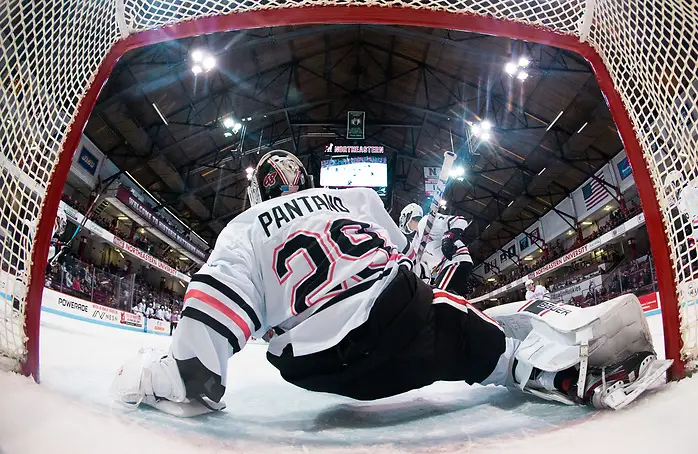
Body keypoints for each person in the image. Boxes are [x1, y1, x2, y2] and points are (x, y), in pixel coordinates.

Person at [112, 150, 663, 416]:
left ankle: (521, 354)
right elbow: (403, 264)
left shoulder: (243, 228)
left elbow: (207, 334)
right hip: (402, 327)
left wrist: (171, 378)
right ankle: (551, 365)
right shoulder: (356, 199)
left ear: (258, 189)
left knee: (426, 311)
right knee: (469, 330)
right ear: (303, 178)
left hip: (318, 371)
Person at [398, 203, 474, 296]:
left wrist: (449, 237)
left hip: (455, 260)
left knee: (438, 296)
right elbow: (417, 263)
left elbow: (459, 221)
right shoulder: (416, 241)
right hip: (444, 267)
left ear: (409, 215)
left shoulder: (426, 221)